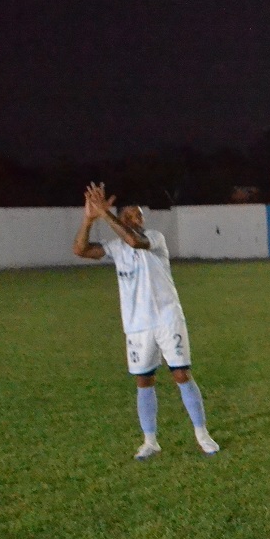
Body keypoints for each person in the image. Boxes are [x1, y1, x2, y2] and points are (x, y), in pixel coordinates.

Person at [73, 182, 218, 459]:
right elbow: (80, 250)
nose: (135, 219)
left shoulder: (154, 238)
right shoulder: (115, 247)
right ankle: (150, 441)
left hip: (167, 318)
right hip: (137, 325)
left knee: (181, 374)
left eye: (138, 215)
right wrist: (89, 219)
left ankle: (202, 435)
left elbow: (134, 241)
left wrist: (105, 214)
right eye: (129, 215)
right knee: (144, 380)